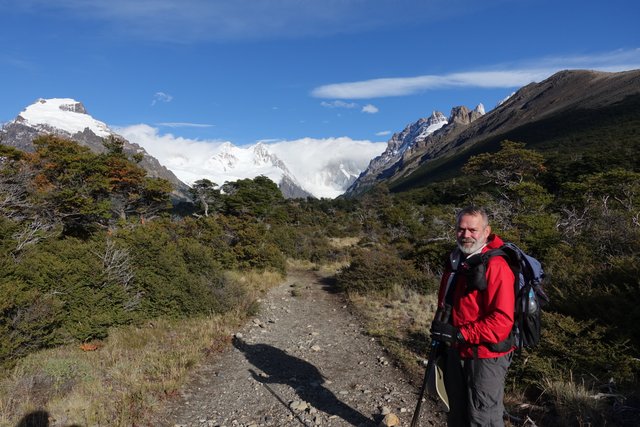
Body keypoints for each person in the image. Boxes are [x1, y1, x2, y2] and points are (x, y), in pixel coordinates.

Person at [430, 206, 515, 427]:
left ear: (486, 231)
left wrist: (459, 334)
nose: (466, 235)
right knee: (456, 412)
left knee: (483, 417)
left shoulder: (496, 266)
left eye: (472, 230)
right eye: (461, 229)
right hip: (456, 349)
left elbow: (502, 322)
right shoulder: (457, 261)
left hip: (486, 355)